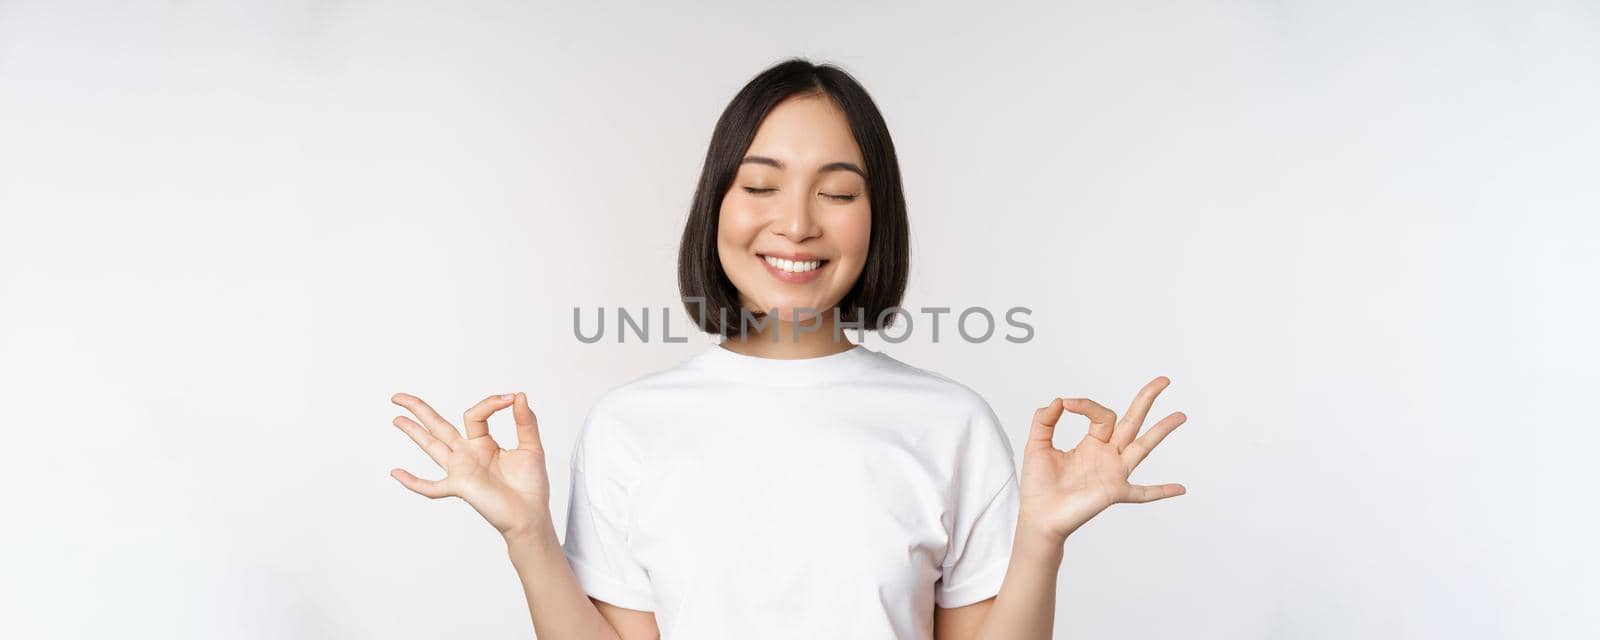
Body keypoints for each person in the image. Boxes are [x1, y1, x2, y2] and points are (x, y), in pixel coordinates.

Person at [386, 58, 1190, 639]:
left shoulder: (949, 422)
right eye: (761, 185)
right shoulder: (631, 423)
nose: (798, 223)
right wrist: (527, 537)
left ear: (877, 220)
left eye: (837, 192)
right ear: (717, 205)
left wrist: (1040, 542)